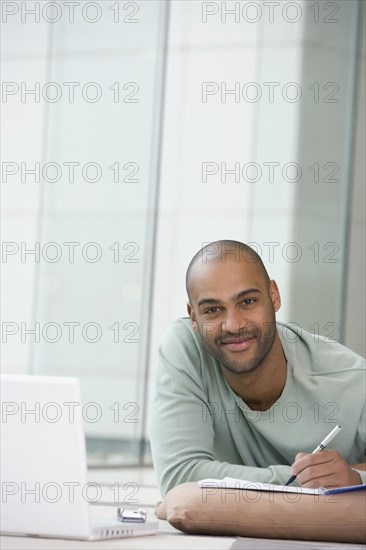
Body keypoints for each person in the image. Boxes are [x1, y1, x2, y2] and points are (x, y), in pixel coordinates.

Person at [150, 240, 366, 497]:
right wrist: (305, 480)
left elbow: (192, 482)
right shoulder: (185, 347)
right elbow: (179, 478)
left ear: (274, 296)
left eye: (248, 301)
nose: (233, 325)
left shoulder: (352, 380)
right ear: (194, 317)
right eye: (213, 309)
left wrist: (354, 476)